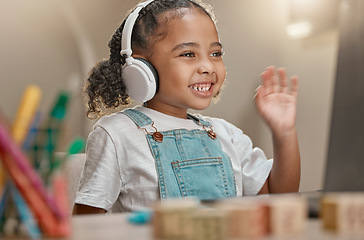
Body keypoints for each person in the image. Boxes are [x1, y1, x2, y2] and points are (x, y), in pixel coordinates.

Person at [73, 0, 300, 215]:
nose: (208, 66)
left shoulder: (226, 134)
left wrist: (285, 133)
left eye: (215, 53)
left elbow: (279, 196)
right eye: (188, 54)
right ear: (140, 67)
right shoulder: (116, 133)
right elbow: (87, 225)